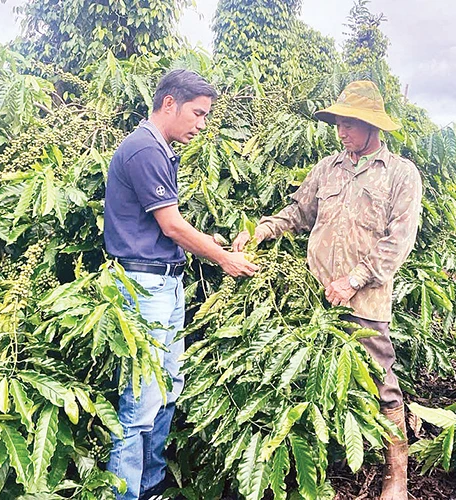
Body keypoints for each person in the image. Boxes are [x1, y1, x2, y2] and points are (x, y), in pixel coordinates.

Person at [232, 80, 422, 500]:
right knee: (316, 378)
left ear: (374, 127)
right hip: (315, 296)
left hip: (366, 300)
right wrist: (261, 230)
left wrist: (353, 279)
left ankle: (397, 479)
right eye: (338, 124)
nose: (341, 132)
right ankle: (325, 468)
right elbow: (299, 212)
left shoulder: (401, 174)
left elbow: (398, 241)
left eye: (349, 124)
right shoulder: (327, 168)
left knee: (380, 380)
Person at [104, 69, 258, 500]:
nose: (202, 124)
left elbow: (161, 224)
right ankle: (125, 494)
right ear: (168, 103)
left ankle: (150, 484)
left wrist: (205, 242)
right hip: (143, 288)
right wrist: (224, 258)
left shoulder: (161, 148)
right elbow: (171, 227)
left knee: (167, 390)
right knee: (140, 403)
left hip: (164, 285)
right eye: (198, 113)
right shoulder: (143, 149)